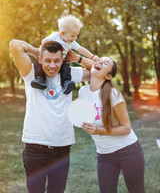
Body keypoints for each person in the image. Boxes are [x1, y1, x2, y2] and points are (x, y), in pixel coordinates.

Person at [9, 39, 92, 193]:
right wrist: (37, 51)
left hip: (61, 148)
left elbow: (99, 71)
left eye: (56, 61)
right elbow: (15, 45)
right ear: (40, 59)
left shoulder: (69, 74)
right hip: (35, 147)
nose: (52, 66)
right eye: (47, 60)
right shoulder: (31, 73)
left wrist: (76, 58)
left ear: (62, 60)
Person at [79, 57, 145, 193]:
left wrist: (99, 131)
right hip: (104, 155)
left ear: (109, 76)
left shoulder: (113, 93)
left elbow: (126, 128)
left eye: (105, 63)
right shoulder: (83, 92)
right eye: (98, 60)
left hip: (128, 151)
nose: (99, 63)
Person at [31, 14, 99, 94]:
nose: (74, 38)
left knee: (66, 69)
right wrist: (45, 41)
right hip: (48, 59)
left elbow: (81, 49)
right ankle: (40, 79)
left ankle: (66, 83)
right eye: (72, 36)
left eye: (76, 36)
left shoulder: (71, 42)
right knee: (37, 63)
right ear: (62, 33)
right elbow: (45, 41)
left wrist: (92, 56)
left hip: (61, 61)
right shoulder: (55, 36)